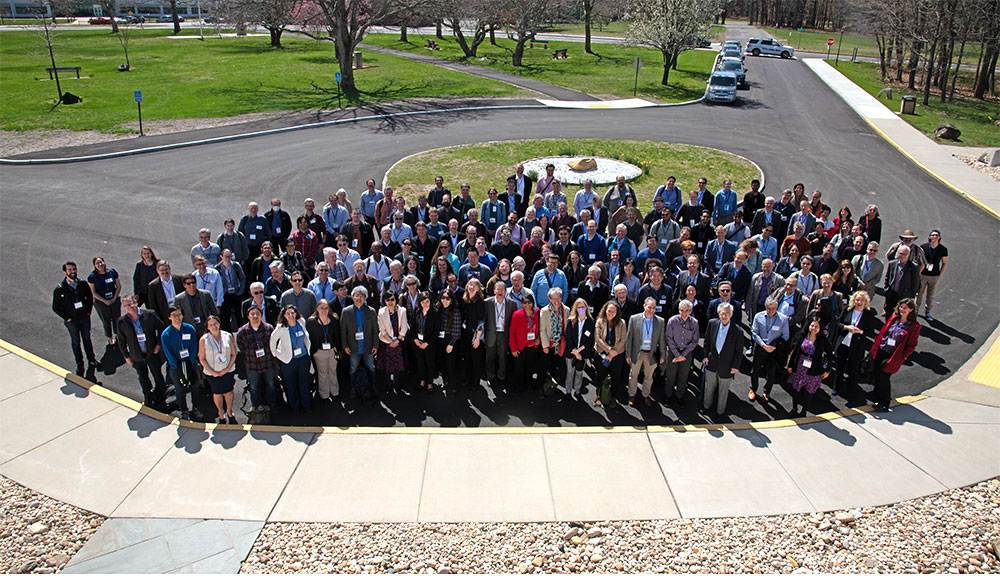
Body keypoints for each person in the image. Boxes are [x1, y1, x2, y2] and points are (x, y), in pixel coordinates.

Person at [870, 298, 921, 412]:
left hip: (893, 355)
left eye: (905, 308)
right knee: (877, 374)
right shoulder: (894, 318)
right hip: (882, 350)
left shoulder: (913, 326)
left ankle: (884, 402)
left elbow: (912, 345)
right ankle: (877, 396)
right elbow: (884, 331)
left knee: (884, 376)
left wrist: (903, 357)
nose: (902, 309)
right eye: (901, 307)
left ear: (911, 310)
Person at [116, 295, 166, 409]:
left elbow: (162, 328)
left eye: (131, 303)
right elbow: (121, 340)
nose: (130, 307)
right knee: (143, 377)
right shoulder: (122, 322)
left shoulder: (150, 314)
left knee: (157, 375)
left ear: (136, 302)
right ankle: (148, 397)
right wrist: (126, 356)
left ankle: (161, 397)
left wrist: (158, 344)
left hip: (151, 353)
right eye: (127, 306)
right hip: (136, 355)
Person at [53, 262, 100, 377]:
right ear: (65, 272)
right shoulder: (60, 289)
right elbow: (55, 307)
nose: (72, 271)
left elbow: (89, 298)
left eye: (74, 269)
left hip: (84, 318)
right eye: (69, 270)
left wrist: (88, 312)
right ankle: (80, 363)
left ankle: (92, 360)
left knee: (87, 339)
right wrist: (67, 318)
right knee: (76, 341)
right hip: (72, 321)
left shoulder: (83, 284)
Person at [703, 302, 744, 418]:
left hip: (727, 366)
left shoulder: (737, 331)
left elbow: (738, 352)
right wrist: (705, 356)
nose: (724, 316)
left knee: (723, 391)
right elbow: (706, 342)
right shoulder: (712, 324)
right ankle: (706, 407)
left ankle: (720, 412)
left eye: (726, 313)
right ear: (718, 314)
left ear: (731, 314)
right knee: (709, 387)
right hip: (712, 362)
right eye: (722, 313)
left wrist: (735, 366)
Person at [160, 306, 202, 421]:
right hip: (176, 366)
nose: (177, 318)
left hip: (190, 362)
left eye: (179, 314)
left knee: (195, 386)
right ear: (169, 317)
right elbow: (168, 353)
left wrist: (191, 361)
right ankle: (184, 410)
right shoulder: (166, 334)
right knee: (179, 389)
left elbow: (194, 346)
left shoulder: (189, 329)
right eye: (174, 315)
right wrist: (176, 366)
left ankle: (196, 408)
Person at [831, 290, 876, 396]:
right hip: (844, 343)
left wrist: (860, 331)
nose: (859, 302)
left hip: (857, 345)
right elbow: (838, 323)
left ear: (865, 302)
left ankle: (851, 389)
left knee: (853, 367)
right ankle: (836, 387)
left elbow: (871, 332)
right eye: (857, 300)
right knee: (840, 366)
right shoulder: (848, 310)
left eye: (862, 300)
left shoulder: (868, 314)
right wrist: (847, 327)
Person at [625, 297, 667, 406]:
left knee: (649, 377)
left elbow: (662, 340)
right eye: (649, 307)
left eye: (654, 308)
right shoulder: (634, 319)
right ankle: (632, 394)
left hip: (651, 354)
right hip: (637, 352)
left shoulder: (660, 321)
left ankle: (645, 395)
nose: (651, 310)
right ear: (644, 306)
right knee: (633, 375)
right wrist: (628, 354)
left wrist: (663, 355)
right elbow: (629, 338)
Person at [786, 316, 831, 416]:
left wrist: (828, 370)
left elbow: (829, 355)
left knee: (808, 392)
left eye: (816, 327)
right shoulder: (802, 336)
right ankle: (794, 408)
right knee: (796, 389)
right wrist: (790, 365)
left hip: (814, 369)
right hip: (800, 366)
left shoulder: (823, 340)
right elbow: (796, 351)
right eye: (812, 326)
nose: (813, 328)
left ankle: (804, 410)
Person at [341, 286, 379, 401]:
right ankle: (353, 388)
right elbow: (343, 331)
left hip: (367, 345)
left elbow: (375, 330)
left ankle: (372, 387)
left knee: (371, 368)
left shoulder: (371, 311)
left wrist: (375, 345)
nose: (359, 298)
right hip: (353, 347)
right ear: (352, 297)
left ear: (365, 298)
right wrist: (345, 346)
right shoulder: (346, 311)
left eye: (361, 296)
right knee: (353, 369)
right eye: (356, 295)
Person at [270, 305, 312, 413]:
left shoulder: (301, 322)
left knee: (304, 383)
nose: (291, 315)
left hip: (303, 358)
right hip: (289, 361)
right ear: (284, 315)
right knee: (291, 384)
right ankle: (294, 406)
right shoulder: (281, 328)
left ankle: (306, 405)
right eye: (288, 313)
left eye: (292, 313)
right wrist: (276, 354)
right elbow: (272, 341)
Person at [198, 316, 237, 424]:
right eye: (211, 325)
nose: (214, 326)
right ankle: (221, 411)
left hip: (227, 370)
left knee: (229, 392)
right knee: (218, 393)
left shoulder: (227, 336)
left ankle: (229, 410)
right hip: (212, 373)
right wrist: (212, 372)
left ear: (219, 323)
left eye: (215, 323)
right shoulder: (203, 339)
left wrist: (227, 369)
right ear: (207, 327)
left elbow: (233, 354)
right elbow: (202, 358)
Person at [750, 297, 789, 403]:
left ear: (777, 307)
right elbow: (754, 332)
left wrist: (774, 346)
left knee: (771, 372)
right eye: (768, 308)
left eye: (773, 308)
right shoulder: (758, 316)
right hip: (761, 347)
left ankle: (767, 392)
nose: (771, 310)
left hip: (774, 350)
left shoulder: (783, 319)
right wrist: (763, 345)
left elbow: (785, 336)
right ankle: (753, 389)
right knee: (755, 370)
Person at [664, 299, 700, 406]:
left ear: (690, 311)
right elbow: (669, 338)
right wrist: (677, 354)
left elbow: (695, 341)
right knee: (670, 376)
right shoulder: (672, 321)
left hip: (686, 353)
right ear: (679, 310)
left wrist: (682, 355)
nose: (684, 313)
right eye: (682, 310)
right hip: (673, 352)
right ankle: (668, 396)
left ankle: (680, 396)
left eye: (687, 310)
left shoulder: (694, 323)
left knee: (683, 377)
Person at [593, 301, 626, 407]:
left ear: (617, 312)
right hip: (602, 353)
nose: (611, 313)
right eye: (609, 311)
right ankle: (599, 394)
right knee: (601, 375)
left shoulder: (621, 323)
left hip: (617, 354)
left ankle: (613, 396)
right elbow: (597, 338)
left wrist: (612, 354)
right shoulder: (599, 321)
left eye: (613, 311)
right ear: (605, 310)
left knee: (615, 376)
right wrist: (608, 350)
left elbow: (623, 340)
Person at [539, 287, 570, 398]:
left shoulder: (566, 310)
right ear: (550, 299)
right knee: (543, 367)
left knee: (554, 366)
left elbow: (567, 328)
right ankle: (541, 388)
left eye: (558, 298)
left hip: (559, 345)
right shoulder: (544, 311)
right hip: (548, 344)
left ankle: (550, 386)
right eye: (554, 298)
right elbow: (542, 329)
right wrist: (545, 345)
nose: (556, 301)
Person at [376, 290, 409, 393]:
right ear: (384, 301)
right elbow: (382, 329)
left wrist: (398, 340)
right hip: (386, 342)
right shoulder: (381, 312)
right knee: (387, 365)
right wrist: (390, 341)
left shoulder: (402, 311)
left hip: (398, 341)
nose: (390, 302)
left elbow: (404, 326)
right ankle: (389, 385)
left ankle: (397, 383)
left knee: (397, 365)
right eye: (387, 300)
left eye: (392, 299)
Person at [484, 281, 515, 390]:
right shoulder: (487, 303)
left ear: (506, 291)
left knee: (503, 357)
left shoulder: (512, 304)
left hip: (504, 335)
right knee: (490, 357)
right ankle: (490, 376)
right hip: (490, 334)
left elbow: (513, 322)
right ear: (494, 291)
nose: (500, 292)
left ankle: (502, 378)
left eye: (502, 289)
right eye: (498, 289)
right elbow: (484, 320)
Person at [562, 298, 594, 400]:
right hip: (571, 351)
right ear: (575, 308)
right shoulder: (571, 320)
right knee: (570, 372)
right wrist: (575, 352)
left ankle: (577, 390)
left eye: (583, 307)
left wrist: (579, 351)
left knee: (580, 373)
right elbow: (569, 337)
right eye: (579, 307)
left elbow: (590, 340)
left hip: (583, 352)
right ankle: (568, 391)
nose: (581, 309)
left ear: (586, 308)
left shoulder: (591, 321)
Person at [509, 292, 541, 394]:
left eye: (529, 302)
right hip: (520, 346)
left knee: (530, 367)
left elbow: (539, 328)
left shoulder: (536, 313)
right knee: (519, 368)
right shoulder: (517, 314)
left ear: (532, 303)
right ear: (522, 304)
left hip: (532, 346)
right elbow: (512, 332)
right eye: (525, 302)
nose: (527, 304)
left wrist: (538, 339)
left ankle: (528, 385)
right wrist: (513, 348)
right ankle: (518, 387)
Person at [88, 256, 121, 346]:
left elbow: (118, 286)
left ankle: (118, 336)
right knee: (106, 320)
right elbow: (93, 292)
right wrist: (104, 301)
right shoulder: (92, 277)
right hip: (101, 302)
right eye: (97, 263)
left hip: (114, 300)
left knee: (116, 318)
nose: (100, 264)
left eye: (101, 262)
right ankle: (110, 338)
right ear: (94, 265)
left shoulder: (112, 272)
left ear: (104, 262)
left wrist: (114, 298)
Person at [916, 230, 948, 322]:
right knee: (919, 294)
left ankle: (928, 312)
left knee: (930, 295)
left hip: (934, 276)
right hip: (923, 274)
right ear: (929, 237)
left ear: (939, 238)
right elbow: (918, 260)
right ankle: (916, 310)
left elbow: (945, 263)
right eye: (933, 235)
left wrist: (940, 275)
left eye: (937, 235)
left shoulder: (943, 249)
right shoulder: (923, 247)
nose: (934, 237)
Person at [435, 289, 463, 391]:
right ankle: (445, 381)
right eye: (443, 297)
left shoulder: (455, 312)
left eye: (447, 298)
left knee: (451, 364)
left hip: (450, 341)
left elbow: (456, 331)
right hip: (439, 340)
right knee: (442, 363)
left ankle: (453, 386)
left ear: (451, 300)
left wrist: (451, 344)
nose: (445, 300)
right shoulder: (438, 310)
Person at [410, 292, 438, 391]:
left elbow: (436, 331)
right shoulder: (417, 311)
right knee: (420, 362)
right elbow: (412, 326)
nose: (425, 304)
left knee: (429, 363)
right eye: (422, 302)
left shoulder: (434, 313)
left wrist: (427, 343)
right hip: (418, 343)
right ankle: (422, 381)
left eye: (427, 301)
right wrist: (415, 340)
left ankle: (430, 383)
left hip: (429, 344)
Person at [175, 273, 218, 338]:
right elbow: (177, 316)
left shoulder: (206, 295)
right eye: (188, 283)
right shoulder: (179, 299)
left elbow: (214, 311)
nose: (191, 285)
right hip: (189, 330)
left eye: (193, 282)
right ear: (184, 285)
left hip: (205, 329)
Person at [883, 245, 921, 316]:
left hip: (904, 296)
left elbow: (916, 282)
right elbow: (887, 278)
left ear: (909, 254)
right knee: (889, 313)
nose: (902, 256)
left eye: (904, 254)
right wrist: (886, 290)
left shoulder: (913, 267)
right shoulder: (892, 264)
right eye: (900, 253)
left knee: (901, 315)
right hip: (892, 294)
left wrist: (911, 294)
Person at [216, 249, 246, 332]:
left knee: (238, 314)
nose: (228, 259)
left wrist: (240, 292)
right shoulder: (218, 268)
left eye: (230, 257)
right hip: (225, 295)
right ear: (221, 257)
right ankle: (228, 332)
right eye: (226, 257)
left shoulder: (236, 266)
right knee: (226, 315)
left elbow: (242, 279)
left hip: (236, 294)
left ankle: (241, 331)